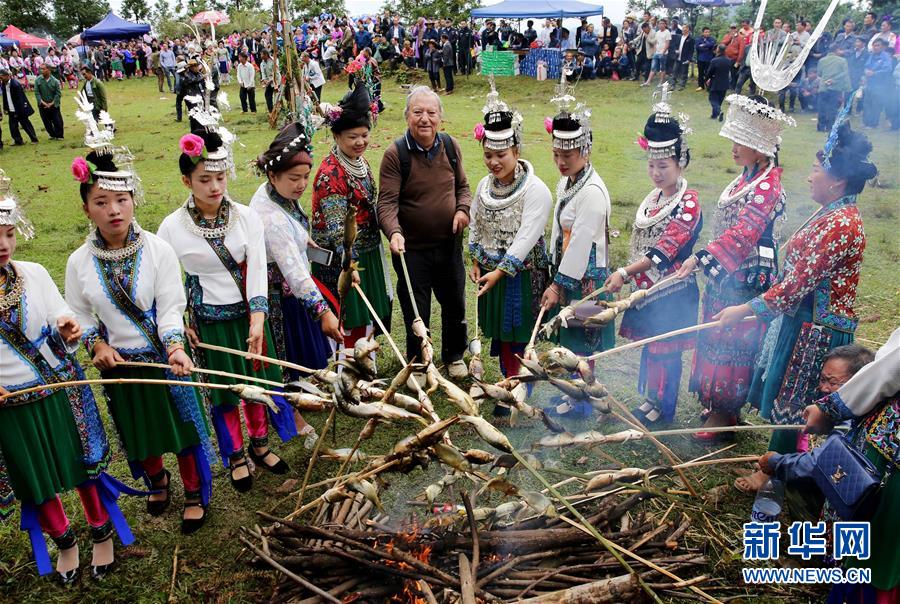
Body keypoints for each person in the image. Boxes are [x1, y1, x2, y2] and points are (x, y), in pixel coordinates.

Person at [715, 120, 873, 492]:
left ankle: (774, 473)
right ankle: (796, 464)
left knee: (796, 401)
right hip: (803, 320)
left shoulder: (841, 224)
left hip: (816, 329)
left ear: (836, 180)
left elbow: (796, 285)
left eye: (816, 170)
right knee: (792, 397)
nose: (809, 177)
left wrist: (744, 310)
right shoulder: (832, 213)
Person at [65, 151, 214, 536]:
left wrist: (175, 346)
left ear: (133, 200)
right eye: (101, 202)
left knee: (180, 430)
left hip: (165, 360)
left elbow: (170, 305)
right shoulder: (79, 262)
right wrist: (97, 345)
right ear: (86, 209)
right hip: (120, 369)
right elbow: (79, 314)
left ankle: (194, 491)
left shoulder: (157, 250)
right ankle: (157, 481)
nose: (114, 210)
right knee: (139, 433)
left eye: (121, 200)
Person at [158, 128, 302, 494]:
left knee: (256, 383)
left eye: (220, 177)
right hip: (209, 322)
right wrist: (182, 324)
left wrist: (258, 317)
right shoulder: (171, 228)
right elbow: (169, 282)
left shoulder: (245, 217)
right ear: (186, 180)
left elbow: (257, 269)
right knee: (224, 392)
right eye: (204, 179)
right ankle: (235, 454)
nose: (214, 186)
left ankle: (260, 443)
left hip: (249, 318)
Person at [0, 185, 132, 582]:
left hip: (58, 389)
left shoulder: (34, 273)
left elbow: (60, 313)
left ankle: (101, 531)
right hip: (10, 403)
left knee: (80, 466)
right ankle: (65, 542)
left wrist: (68, 327)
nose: (3, 244)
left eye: (8, 233)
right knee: (35, 477)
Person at [675, 94, 794, 440]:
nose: (734, 147)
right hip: (726, 272)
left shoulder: (768, 185)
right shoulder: (747, 177)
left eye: (741, 141)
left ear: (761, 145)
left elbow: (744, 234)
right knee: (714, 333)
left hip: (748, 278)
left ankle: (727, 412)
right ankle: (715, 400)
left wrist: (700, 258)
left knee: (734, 340)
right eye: (734, 138)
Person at [761, 330, 899, 602]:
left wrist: (777, 462)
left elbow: (889, 369)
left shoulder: (859, 412)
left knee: (874, 538)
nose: (823, 387)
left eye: (832, 382)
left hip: (888, 466)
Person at [604, 92, 701, 426]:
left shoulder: (689, 202)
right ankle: (651, 398)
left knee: (667, 349)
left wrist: (624, 272)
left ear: (680, 163)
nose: (657, 173)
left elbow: (664, 250)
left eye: (664, 166)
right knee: (652, 347)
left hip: (673, 290)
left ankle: (664, 406)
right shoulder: (654, 198)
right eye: (652, 165)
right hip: (648, 290)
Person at [468, 84, 551, 421]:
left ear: (516, 149)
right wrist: (475, 259)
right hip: (491, 276)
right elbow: (476, 222)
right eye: (488, 154)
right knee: (502, 336)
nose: (494, 161)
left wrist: (500, 271)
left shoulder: (537, 190)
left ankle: (516, 388)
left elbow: (526, 239)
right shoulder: (484, 187)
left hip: (520, 275)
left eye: (501, 154)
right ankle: (508, 383)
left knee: (517, 333)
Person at [377, 86, 471, 380]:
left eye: (431, 113)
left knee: (455, 302)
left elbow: (463, 189)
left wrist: (462, 211)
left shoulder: (450, 146)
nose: (425, 119)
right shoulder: (396, 154)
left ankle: (454, 355)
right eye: (418, 112)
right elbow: (387, 202)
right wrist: (393, 231)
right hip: (412, 249)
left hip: (448, 245)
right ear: (407, 116)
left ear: (440, 117)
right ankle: (418, 361)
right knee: (415, 308)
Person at [541, 82, 614, 417]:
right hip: (568, 269)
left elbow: (581, 242)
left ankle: (586, 398)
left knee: (582, 340)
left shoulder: (593, 192)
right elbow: (561, 228)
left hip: (585, 277)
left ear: (585, 152)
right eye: (556, 155)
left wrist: (557, 284)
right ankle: (578, 395)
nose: (560, 162)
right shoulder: (569, 181)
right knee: (570, 341)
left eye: (567, 156)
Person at [251, 119, 341, 377]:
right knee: (290, 357)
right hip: (282, 299)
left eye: (305, 177)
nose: (301, 184)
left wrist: (302, 239)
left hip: (293, 292)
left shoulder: (276, 193)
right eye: (294, 178)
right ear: (272, 174)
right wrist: (322, 311)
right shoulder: (271, 219)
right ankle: (296, 414)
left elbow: (293, 229)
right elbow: (294, 271)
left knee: (302, 358)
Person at [311, 84, 392, 354]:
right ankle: (348, 367)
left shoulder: (361, 162)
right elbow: (337, 230)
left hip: (366, 250)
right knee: (349, 314)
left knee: (369, 312)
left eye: (364, 135)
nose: (360, 142)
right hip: (342, 257)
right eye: (352, 137)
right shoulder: (330, 173)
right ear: (336, 135)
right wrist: (350, 263)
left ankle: (367, 362)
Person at [816, 45, 851, 131]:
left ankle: (820, 127)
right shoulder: (843, 61)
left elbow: (819, 73)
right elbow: (845, 73)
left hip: (823, 87)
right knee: (832, 109)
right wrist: (833, 80)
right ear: (837, 50)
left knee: (822, 108)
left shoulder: (822, 60)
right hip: (835, 88)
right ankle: (829, 127)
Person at [0, 69, 38, 144]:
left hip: (20, 109)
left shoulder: (15, 84)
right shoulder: (4, 84)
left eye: (1, 77)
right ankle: (18, 141)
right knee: (13, 127)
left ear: (7, 76)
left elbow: (20, 99)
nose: (0, 79)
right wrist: (5, 108)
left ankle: (34, 139)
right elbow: (4, 97)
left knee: (26, 125)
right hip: (11, 109)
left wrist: (18, 111)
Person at [862, 38, 893, 128]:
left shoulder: (886, 57)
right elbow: (866, 66)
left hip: (880, 85)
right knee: (867, 103)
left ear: (882, 47)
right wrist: (866, 72)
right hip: (870, 83)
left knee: (875, 104)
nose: (876, 47)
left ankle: (873, 124)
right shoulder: (871, 55)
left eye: (878, 45)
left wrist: (874, 73)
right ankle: (866, 122)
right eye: (874, 45)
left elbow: (887, 69)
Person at [34, 64, 63, 140]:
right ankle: (52, 135)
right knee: (46, 122)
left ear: (49, 70)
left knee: (57, 121)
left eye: (43, 69)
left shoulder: (55, 81)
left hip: (54, 105)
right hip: (42, 105)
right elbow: (37, 93)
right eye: (41, 69)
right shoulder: (37, 80)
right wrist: (43, 103)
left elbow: (58, 94)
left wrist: (52, 103)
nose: (41, 71)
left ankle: (59, 135)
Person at [642, 19, 671, 87]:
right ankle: (648, 82)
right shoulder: (657, 32)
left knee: (662, 68)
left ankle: (661, 82)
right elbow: (656, 43)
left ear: (665, 24)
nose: (660, 25)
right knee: (653, 68)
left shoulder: (667, 32)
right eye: (659, 24)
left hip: (663, 53)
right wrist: (655, 51)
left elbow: (667, 44)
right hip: (656, 53)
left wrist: (663, 53)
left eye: (662, 23)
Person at [706, 45, 731, 120]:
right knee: (719, 99)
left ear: (718, 50)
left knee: (712, 99)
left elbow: (709, 72)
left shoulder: (715, 60)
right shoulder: (728, 60)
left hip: (715, 82)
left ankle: (719, 112)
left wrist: (707, 78)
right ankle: (714, 115)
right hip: (725, 83)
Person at [670, 24, 694, 90]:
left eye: (685, 28)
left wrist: (689, 59)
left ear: (688, 29)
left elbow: (691, 51)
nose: (683, 29)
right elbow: (675, 45)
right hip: (677, 57)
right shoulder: (679, 37)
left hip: (685, 58)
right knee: (674, 71)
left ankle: (682, 85)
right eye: (682, 28)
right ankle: (672, 85)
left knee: (684, 72)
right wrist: (675, 50)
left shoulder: (691, 39)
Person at [695, 27, 716, 91]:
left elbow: (712, 45)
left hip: (709, 59)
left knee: (708, 73)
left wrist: (703, 45)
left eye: (708, 32)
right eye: (706, 32)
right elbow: (698, 47)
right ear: (702, 32)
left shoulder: (712, 39)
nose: (707, 33)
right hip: (700, 59)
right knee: (700, 73)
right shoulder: (698, 39)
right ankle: (701, 85)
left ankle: (708, 85)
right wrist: (707, 46)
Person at [259, 49, 275, 113]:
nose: (261, 56)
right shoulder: (262, 63)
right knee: (267, 94)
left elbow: (275, 72)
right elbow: (263, 73)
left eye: (262, 54)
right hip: (268, 82)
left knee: (277, 96)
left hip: (275, 81)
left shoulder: (273, 60)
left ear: (266, 55)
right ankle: (271, 110)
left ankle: (280, 108)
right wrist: (264, 80)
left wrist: (271, 80)